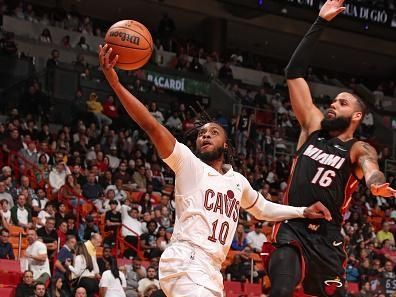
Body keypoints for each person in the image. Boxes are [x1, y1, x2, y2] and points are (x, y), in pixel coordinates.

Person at [99, 43, 332, 297]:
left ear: (225, 143)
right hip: (186, 259)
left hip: (211, 270)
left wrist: (302, 211)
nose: (205, 136)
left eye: (213, 132)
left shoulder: (238, 182)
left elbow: (263, 208)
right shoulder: (188, 164)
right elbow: (151, 125)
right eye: (201, 134)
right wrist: (116, 84)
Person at [267, 1, 396, 297]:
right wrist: (319, 22)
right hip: (293, 225)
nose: (332, 104)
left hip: (328, 238)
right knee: (282, 287)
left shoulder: (357, 147)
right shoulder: (313, 126)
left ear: (357, 116)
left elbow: (371, 168)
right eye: (333, 100)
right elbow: (292, 72)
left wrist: (376, 184)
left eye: (342, 103)